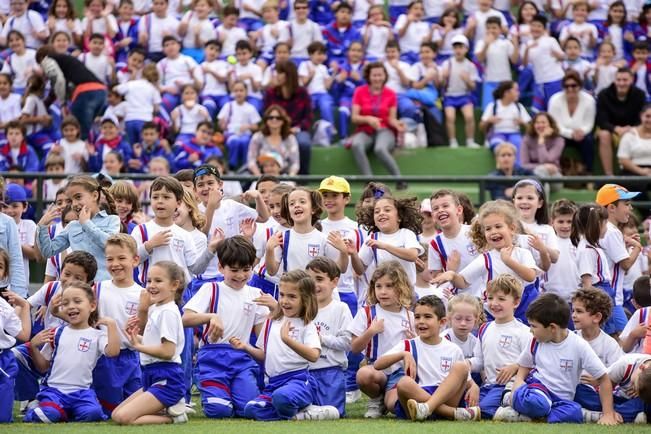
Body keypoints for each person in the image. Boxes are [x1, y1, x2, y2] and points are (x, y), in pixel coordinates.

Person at [496, 293, 619, 425]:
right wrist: (518, 382)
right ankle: (510, 397)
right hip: (538, 390)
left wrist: (608, 414)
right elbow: (524, 365)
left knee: (573, 411)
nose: (530, 330)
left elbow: (603, 378)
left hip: (562, 400)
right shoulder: (535, 342)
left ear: (552, 328)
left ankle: (523, 416)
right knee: (537, 403)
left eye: (534, 326)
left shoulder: (579, 345)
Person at [182, 236, 270, 418]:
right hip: (213, 359)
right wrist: (211, 316)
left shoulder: (256, 295)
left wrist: (275, 310)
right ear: (221, 267)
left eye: (246, 270)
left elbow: (263, 339)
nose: (240, 275)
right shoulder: (211, 289)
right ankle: (217, 397)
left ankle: (237, 396)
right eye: (234, 270)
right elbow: (185, 318)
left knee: (249, 408)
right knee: (219, 410)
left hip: (242, 359)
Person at [241, 270, 340, 421]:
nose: (284, 301)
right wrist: (246, 347)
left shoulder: (306, 325)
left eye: (292, 296)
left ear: (305, 299)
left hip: (298, 381)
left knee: (281, 398)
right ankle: (302, 414)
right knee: (250, 409)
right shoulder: (271, 321)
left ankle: (302, 411)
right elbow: (263, 354)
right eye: (282, 295)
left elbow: (314, 355)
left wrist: (288, 340)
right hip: (273, 384)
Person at [24, 282, 120, 424]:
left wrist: (112, 325)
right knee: (49, 415)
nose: (71, 306)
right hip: (54, 391)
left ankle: (62, 411)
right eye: (66, 303)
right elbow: (43, 367)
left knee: (93, 414)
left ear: (92, 306)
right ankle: (40, 408)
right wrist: (33, 346)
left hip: (82, 393)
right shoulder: (56, 333)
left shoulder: (97, 336)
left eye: (77, 301)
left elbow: (113, 352)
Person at [433, 200, 540, 324]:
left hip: (524, 306)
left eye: (498, 226)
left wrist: (508, 261)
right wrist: (452, 274)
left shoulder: (522, 253)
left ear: (511, 228)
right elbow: (463, 282)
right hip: (496, 309)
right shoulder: (486, 258)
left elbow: (530, 276)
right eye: (488, 229)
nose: (493, 231)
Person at [376, 295, 480, 421]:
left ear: (442, 322)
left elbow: (464, 378)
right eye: (417, 317)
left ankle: (428, 408)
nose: (421, 321)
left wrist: (474, 386)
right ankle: (452, 413)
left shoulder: (453, 349)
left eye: (428, 317)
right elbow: (378, 365)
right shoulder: (408, 345)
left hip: (445, 396)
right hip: (417, 397)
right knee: (404, 382)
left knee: (461, 366)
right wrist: (403, 354)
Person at [111, 262, 188, 424]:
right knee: (116, 414)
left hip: (167, 377)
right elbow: (150, 342)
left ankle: (173, 418)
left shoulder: (167, 312)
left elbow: (167, 351)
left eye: (158, 281)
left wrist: (139, 347)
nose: (151, 286)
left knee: (124, 418)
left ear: (174, 285)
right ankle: (168, 408)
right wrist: (132, 336)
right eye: (149, 281)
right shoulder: (157, 309)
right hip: (151, 375)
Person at [348, 261, 415, 418]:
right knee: (363, 375)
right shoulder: (367, 313)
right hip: (376, 369)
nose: (383, 291)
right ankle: (376, 398)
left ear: (402, 287)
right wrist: (370, 331)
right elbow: (355, 348)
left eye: (389, 286)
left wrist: (416, 340)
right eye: (379, 286)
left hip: (400, 371)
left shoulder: (410, 316)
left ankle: (388, 401)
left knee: (394, 406)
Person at [92, 234, 145, 416]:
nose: (115, 264)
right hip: (104, 359)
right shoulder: (98, 288)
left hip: (133, 358)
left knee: (136, 408)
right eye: (110, 259)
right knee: (110, 411)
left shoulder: (143, 294)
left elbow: (148, 332)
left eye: (122, 258)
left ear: (135, 260)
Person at [466, 275, 532, 420]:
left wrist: (515, 366)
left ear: (516, 302)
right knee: (468, 406)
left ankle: (517, 412)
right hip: (488, 386)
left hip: (507, 387)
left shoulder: (523, 331)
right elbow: (479, 361)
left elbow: (533, 363)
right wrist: (467, 364)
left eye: (501, 299)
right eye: (490, 298)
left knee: (483, 412)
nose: (494, 303)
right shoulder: (484, 329)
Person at [37, 175, 120, 282]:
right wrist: (42, 226)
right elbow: (48, 251)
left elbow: (110, 245)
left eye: (78, 197)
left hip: (105, 287)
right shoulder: (72, 226)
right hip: (79, 288)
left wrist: (86, 224)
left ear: (95, 195)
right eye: (71, 201)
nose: (74, 204)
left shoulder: (112, 220)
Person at [264, 187, 348, 278]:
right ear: (289, 212)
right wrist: (269, 249)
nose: (296, 205)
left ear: (313, 209)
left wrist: (343, 251)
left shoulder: (323, 239)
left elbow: (340, 269)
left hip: (314, 291)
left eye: (302, 202)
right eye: (292, 204)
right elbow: (271, 271)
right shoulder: (282, 238)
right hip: (292, 290)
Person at [306, 257, 353, 417]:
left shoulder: (341, 308)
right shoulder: (301, 309)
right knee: (300, 405)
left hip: (331, 370)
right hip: (305, 371)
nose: (314, 285)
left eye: (319, 279)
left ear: (334, 282)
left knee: (334, 413)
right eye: (309, 279)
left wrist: (321, 339)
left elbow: (348, 342)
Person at [595, 184, 643, 335]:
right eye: (627, 204)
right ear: (611, 208)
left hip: (605, 297)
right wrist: (637, 247)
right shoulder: (611, 231)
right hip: (611, 298)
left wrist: (625, 241)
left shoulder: (605, 229)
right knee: (624, 341)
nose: (631, 208)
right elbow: (626, 264)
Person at [350, 62, 406, 189]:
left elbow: (391, 118)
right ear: (368, 76)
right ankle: (370, 183)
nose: (377, 78)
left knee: (380, 149)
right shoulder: (359, 92)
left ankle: (400, 180)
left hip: (384, 129)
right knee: (356, 144)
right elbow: (354, 117)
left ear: (385, 76)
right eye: (374, 75)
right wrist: (368, 119)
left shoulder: (391, 93)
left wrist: (398, 124)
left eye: (380, 75)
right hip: (365, 129)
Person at [36, 45, 108, 141]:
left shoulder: (47, 60)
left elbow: (58, 80)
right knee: (85, 133)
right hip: (101, 93)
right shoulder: (67, 62)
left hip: (86, 93)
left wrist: (62, 104)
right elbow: (55, 89)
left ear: (41, 58)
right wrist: (45, 104)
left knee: (75, 134)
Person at [351, 195, 423, 284]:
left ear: (399, 217)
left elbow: (413, 255)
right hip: (384, 291)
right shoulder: (372, 238)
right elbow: (360, 270)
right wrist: (353, 254)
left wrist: (385, 246)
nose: (381, 213)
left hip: (406, 293)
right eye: (377, 212)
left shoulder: (406, 233)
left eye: (387, 210)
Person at [428, 189, 481, 298]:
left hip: (484, 295)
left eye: (445, 206)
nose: (440, 210)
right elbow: (436, 277)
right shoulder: (435, 244)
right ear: (433, 215)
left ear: (459, 210)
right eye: (435, 208)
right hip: (458, 299)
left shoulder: (475, 232)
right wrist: (450, 271)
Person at [262, 60, 312, 174]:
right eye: (276, 72)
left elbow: (308, 118)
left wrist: (296, 129)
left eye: (280, 73)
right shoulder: (270, 93)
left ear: (289, 75)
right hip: (274, 128)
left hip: (297, 129)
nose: (277, 76)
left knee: (303, 143)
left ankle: (302, 179)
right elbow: (266, 115)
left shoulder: (302, 93)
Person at [596, 67, 647, 175]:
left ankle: (637, 173)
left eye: (625, 80)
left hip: (633, 129)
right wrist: (616, 129)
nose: (621, 83)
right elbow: (601, 120)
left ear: (631, 80)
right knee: (604, 134)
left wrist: (631, 129)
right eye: (618, 80)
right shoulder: (603, 95)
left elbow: (641, 118)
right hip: (611, 129)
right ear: (614, 80)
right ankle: (609, 175)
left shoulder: (640, 94)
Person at [548, 71, 597, 174]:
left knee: (588, 141)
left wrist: (581, 132)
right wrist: (570, 134)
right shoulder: (555, 100)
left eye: (573, 86)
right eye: (566, 86)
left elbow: (589, 123)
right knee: (556, 140)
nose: (570, 89)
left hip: (582, 134)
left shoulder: (589, 100)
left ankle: (589, 173)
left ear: (579, 86)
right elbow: (555, 125)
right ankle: (557, 172)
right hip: (561, 134)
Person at [0, 264, 31, 423]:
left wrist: (24, 305)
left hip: (3, 360)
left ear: (4, 275)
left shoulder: (3, 307)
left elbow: (24, 335)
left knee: (3, 418)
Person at [246, 105, 300, 176]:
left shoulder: (290, 138)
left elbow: (295, 163)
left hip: (284, 176)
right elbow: (251, 161)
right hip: (261, 176)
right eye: (271, 118)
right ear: (266, 120)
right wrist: (259, 177)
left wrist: (290, 178)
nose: (274, 120)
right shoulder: (258, 137)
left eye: (278, 118)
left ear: (283, 120)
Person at [544, 200, 580, 302]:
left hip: (575, 296)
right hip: (550, 297)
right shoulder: (547, 242)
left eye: (569, 222)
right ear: (552, 222)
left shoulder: (581, 242)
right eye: (560, 221)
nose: (565, 226)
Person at [617, 104, 651, 205]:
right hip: (632, 171)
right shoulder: (629, 135)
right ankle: (648, 215)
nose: (650, 120)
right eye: (647, 116)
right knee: (634, 185)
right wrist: (642, 171)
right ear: (641, 116)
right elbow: (623, 159)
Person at [519, 114, 564, 183]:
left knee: (541, 175)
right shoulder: (527, 139)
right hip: (532, 176)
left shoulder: (559, 140)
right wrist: (543, 166)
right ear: (533, 125)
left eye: (543, 122)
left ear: (550, 124)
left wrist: (541, 141)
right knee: (540, 175)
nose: (540, 125)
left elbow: (547, 160)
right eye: (537, 123)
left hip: (553, 176)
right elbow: (524, 165)